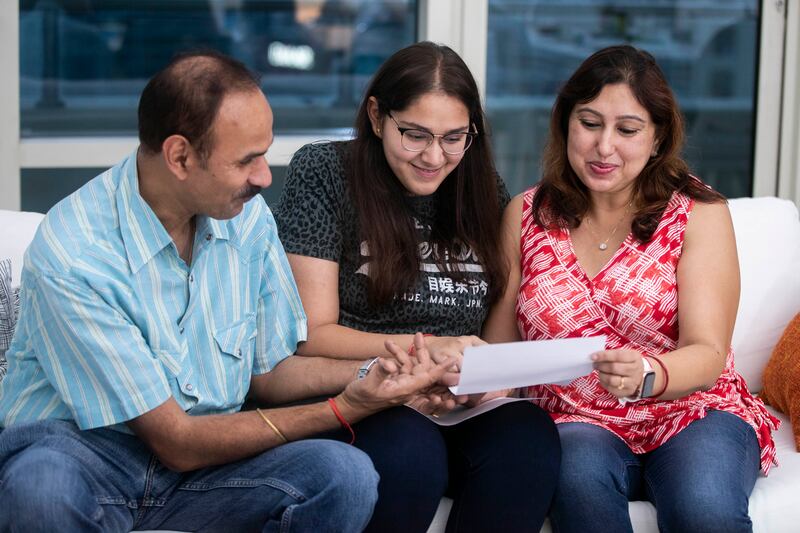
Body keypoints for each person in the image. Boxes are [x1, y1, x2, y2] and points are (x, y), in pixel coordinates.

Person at [0, 51, 459, 533]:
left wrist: (374, 376)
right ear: (180, 157)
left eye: (265, 152)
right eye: (247, 160)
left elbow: (270, 372)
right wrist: (346, 408)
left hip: (209, 466)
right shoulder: (75, 252)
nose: (264, 177)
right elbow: (174, 439)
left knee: (343, 475)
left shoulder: (246, 220)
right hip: (89, 458)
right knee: (40, 488)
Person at [482, 45, 780, 532]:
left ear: (658, 138)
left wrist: (649, 373)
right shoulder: (526, 214)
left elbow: (706, 353)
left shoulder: (698, 213)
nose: (604, 148)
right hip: (577, 422)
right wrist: (472, 387)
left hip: (692, 412)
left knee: (703, 510)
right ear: (565, 123)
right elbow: (501, 354)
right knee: (578, 488)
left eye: (627, 129)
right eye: (590, 122)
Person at [274, 41, 561, 533]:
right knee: (412, 452)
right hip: (365, 389)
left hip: (450, 401)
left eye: (455, 137)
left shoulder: (480, 187)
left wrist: (481, 380)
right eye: (415, 135)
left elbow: (495, 331)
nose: (435, 156)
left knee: (528, 438)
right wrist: (428, 351)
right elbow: (311, 333)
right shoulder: (325, 173)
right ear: (377, 116)